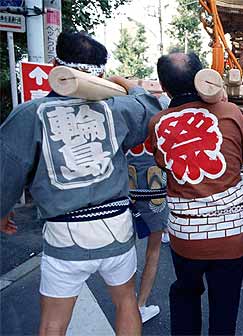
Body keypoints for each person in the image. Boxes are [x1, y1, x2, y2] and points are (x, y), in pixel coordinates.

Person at [0, 31, 162, 335]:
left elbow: (6, 171)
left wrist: (3, 209)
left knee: (52, 323)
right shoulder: (117, 108)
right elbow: (150, 109)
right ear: (99, 74)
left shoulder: (29, 114)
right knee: (126, 302)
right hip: (116, 227)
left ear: (54, 66)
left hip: (65, 233)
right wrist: (126, 84)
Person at [148, 52, 243, 335]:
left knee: (185, 294)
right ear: (202, 76)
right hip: (232, 236)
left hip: (186, 237)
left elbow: (162, 161)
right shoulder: (232, 113)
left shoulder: (159, 123)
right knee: (225, 307)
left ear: (164, 86)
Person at [126, 93, 170, 323]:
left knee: (126, 253)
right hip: (156, 197)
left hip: (126, 195)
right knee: (152, 253)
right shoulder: (162, 121)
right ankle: (140, 305)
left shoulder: (125, 119)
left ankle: (126, 302)